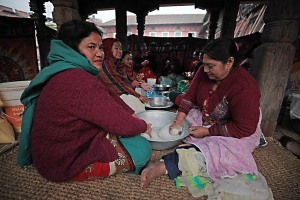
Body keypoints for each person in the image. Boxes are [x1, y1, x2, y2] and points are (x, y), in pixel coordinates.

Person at [16, 20, 152, 182]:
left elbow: (110, 95)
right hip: (61, 163)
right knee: (142, 149)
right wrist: (143, 126)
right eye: (91, 47)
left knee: (125, 129)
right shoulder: (77, 79)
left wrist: (131, 115)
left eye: (100, 47)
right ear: (72, 49)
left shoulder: (66, 69)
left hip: (57, 151)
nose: (100, 53)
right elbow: (121, 124)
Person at [140, 38, 273, 199]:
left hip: (238, 128)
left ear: (229, 62)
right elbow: (189, 97)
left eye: (211, 66)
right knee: (186, 123)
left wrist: (208, 132)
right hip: (208, 115)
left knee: (221, 151)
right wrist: (177, 121)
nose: (205, 70)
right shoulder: (204, 72)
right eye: (204, 64)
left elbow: (244, 128)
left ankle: (164, 166)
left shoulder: (245, 88)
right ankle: (191, 145)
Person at [99, 38, 149, 105]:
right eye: (116, 48)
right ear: (107, 49)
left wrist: (139, 83)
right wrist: (138, 96)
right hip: (109, 101)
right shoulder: (105, 64)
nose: (119, 51)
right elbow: (118, 84)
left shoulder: (118, 64)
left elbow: (128, 81)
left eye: (120, 49)